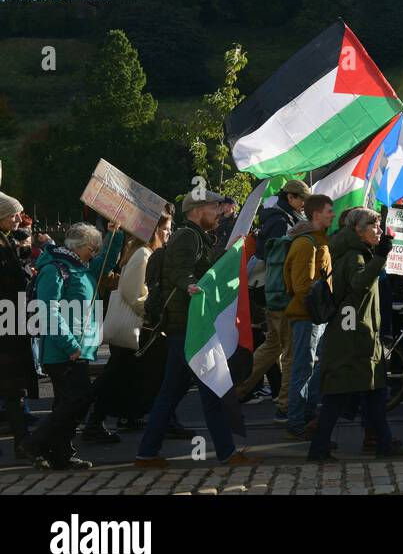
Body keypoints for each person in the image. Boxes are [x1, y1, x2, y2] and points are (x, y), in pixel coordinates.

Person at [134, 194, 259, 468]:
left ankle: (146, 453)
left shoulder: (195, 235)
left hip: (185, 324)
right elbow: (180, 270)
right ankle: (226, 453)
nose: (218, 212)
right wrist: (191, 285)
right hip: (188, 325)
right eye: (213, 208)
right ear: (196, 210)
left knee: (172, 393)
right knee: (210, 389)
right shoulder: (187, 236)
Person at [308, 208, 403, 461]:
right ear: (358, 230)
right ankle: (320, 448)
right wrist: (379, 258)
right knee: (340, 396)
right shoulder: (355, 256)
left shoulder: (355, 252)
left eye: (378, 225)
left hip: (360, 336)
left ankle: (382, 444)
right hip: (353, 339)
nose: (378, 230)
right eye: (373, 226)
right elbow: (359, 285)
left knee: (373, 394)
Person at [21, 223, 118, 470]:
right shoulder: (56, 269)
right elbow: (48, 311)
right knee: (77, 401)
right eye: (94, 247)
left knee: (67, 405)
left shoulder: (80, 267)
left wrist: (114, 234)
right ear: (83, 246)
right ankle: (35, 443)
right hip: (64, 352)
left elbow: (105, 261)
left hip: (76, 350)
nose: (96, 252)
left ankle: (60, 454)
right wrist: (69, 344)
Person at [86, 210, 174, 439]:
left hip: (136, 328)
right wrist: (154, 313)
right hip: (135, 326)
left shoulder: (144, 253)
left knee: (121, 376)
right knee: (114, 377)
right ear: (154, 231)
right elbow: (135, 294)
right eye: (165, 229)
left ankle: (120, 416)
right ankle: (87, 419)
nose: (168, 233)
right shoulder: (143, 255)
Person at [235, 178, 309, 421]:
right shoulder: (281, 222)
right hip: (282, 294)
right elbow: (280, 260)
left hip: (271, 294)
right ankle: (285, 406)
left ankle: (236, 390)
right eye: (302, 200)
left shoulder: (275, 217)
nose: (304, 205)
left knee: (271, 348)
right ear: (290, 197)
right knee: (288, 352)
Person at [282, 194, 334, 440]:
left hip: (316, 316)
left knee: (312, 368)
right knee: (303, 368)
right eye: (328, 211)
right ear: (315, 214)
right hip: (308, 316)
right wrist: (319, 310)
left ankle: (308, 418)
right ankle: (296, 422)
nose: (332, 215)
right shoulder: (306, 244)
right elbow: (302, 286)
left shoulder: (318, 241)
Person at [0, 192, 39, 458]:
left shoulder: (7, 241)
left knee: (13, 389)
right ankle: (22, 442)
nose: (18, 218)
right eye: (13, 214)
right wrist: (26, 272)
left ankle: (22, 440)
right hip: (7, 323)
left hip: (11, 321)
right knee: (12, 388)